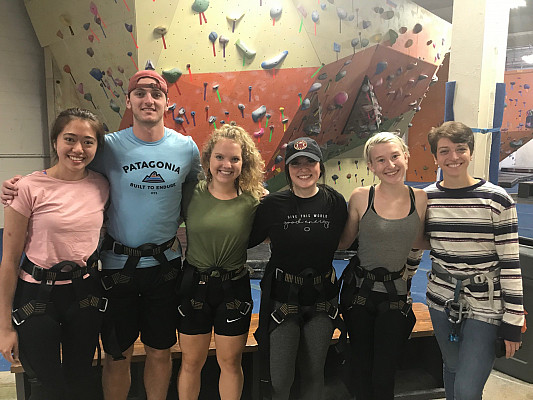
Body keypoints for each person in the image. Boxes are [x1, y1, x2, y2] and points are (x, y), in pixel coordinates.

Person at [1, 69, 202, 400]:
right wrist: (19, 187)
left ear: (167, 102)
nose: (148, 100)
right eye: (140, 93)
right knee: (116, 354)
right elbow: (67, 173)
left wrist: (249, 190)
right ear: (129, 100)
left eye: (156, 94)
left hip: (165, 266)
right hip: (115, 268)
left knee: (160, 351)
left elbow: (201, 192)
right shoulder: (108, 146)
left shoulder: (187, 149)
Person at [0, 108, 109, 399]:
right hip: (36, 297)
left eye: (88, 141)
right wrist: (4, 327)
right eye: (70, 139)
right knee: (48, 386)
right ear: (55, 142)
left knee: (81, 380)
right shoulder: (27, 188)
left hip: (83, 293)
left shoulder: (101, 185)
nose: (78, 149)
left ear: (97, 146)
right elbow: (9, 261)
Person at [424, 121, 524, 400]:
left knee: (467, 389)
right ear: (436, 157)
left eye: (460, 149)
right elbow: (414, 249)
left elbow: (510, 263)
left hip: (485, 304)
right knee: (452, 368)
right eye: (445, 151)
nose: (453, 157)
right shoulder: (427, 199)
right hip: (441, 300)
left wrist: (513, 321)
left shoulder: (497, 200)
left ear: (470, 152)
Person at [249, 137, 348, 400]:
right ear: (288, 170)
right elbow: (249, 238)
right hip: (283, 298)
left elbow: (347, 240)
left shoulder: (334, 202)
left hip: (321, 298)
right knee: (280, 378)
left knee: (315, 373)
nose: (304, 169)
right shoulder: (272, 206)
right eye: (296, 164)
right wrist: (246, 201)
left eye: (310, 163)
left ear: (320, 166)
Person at [176, 122, 264, 400]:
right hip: (194, 286)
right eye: (220, 157)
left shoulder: (254, 200)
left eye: (234, 159)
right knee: (191, 362)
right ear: (208, 159)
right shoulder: (191, 193)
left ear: (244, 162)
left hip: (233, 288)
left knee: (230, 362)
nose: (226, 165)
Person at [337, 132, 427, 400]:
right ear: (371, 166)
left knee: (386, 370)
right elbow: (343, 242)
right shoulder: (361, 197)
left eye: (395, 156)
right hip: (360, 293)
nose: (390, 165)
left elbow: (420, 241)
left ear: (406, 157)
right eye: (381, 160)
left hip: (395, 294)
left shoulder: (420, 198)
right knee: (360, 366)